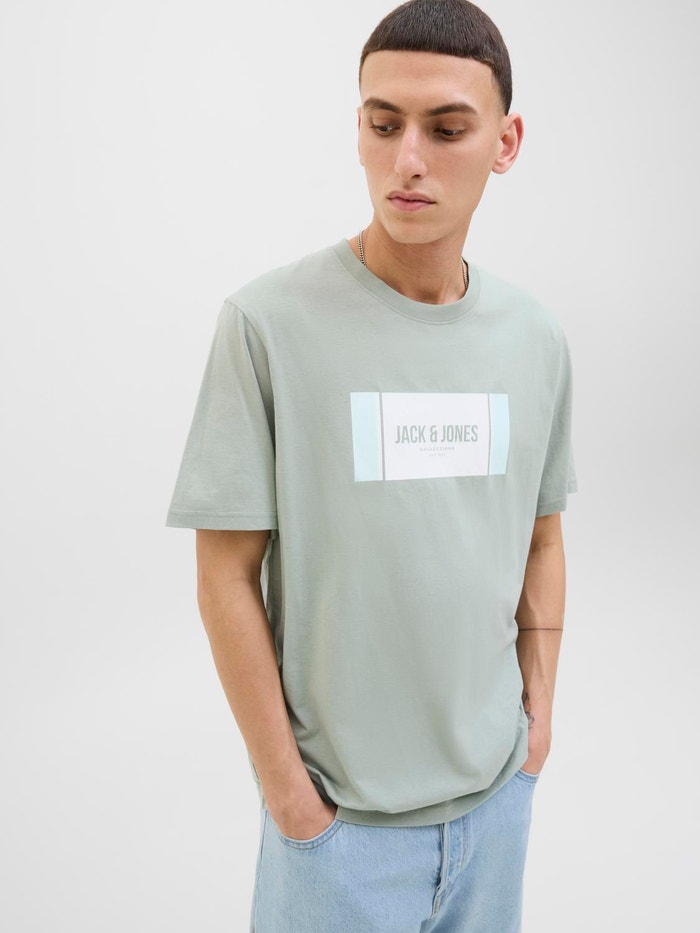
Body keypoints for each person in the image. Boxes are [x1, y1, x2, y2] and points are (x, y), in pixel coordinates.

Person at [166, 0, 576, 929]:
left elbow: (543, 537)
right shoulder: (267, 325)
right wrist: (291, 798)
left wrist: (538, 723)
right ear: (358, 128)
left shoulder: (534, 337)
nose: (408, 160)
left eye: (447, 129)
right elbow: (224, 574)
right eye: (384, 125)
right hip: (338, 835)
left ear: (506, 142)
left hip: (496, 808)